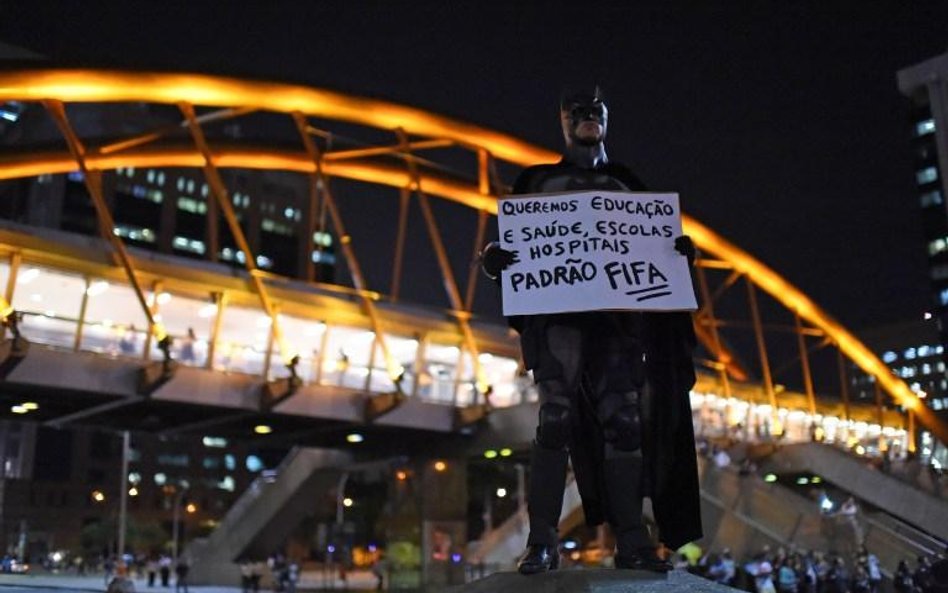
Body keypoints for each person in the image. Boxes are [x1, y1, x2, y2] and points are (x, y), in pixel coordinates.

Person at [481, 88, 700, 574]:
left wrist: (678, 255)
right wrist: (496, 263)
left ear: (607, 119)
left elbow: (656, 244)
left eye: (595, 111)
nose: (586, 118)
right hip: (558, 317)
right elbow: (516, 247)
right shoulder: (537, 180)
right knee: (555, 418)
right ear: (562, 121)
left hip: (616, 320)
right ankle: (542, 541)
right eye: (576, 112)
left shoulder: (628, 184)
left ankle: (632, 540)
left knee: (624, 423)